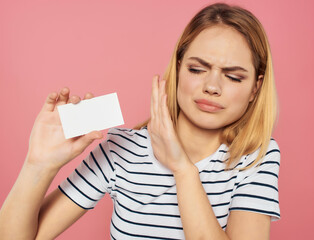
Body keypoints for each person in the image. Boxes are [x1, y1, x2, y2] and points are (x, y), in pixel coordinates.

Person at [0, 3, 280, 239]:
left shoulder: (257, 157)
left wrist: (182, 169)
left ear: (255, 88)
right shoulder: (121, 148)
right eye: (197, 69)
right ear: (178, 67)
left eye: (233, 76)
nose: (212, 86)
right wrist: (37, 164)